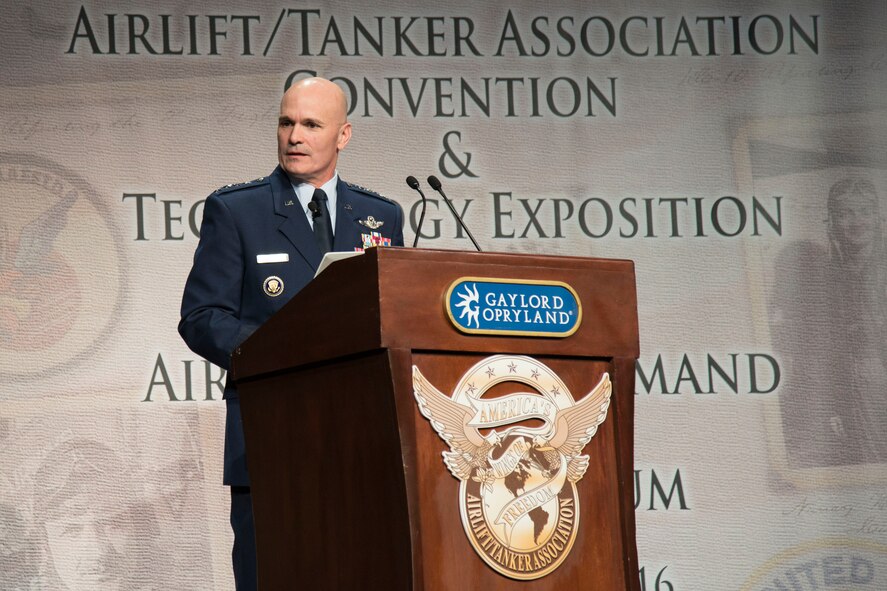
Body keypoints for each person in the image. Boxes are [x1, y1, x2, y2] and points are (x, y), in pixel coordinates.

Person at [178, 77, 404, 590]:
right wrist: (277, 351)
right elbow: (201, 316)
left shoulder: (381, 216)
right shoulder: (237, 210)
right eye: (286, 122)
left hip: (360, 444)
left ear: (343, 135)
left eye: (310, 124)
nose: (294, 136)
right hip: (269, 437)